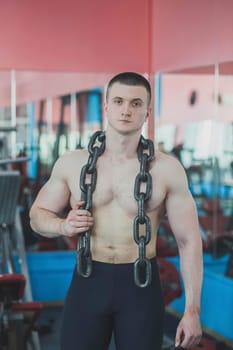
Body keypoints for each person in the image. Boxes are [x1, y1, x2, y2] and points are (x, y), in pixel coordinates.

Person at [29, 72, 203, 350]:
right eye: (119, 101)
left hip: (140, 283)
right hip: (88, 279)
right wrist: (64, 226)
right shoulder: (73, 163)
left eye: (136, 104)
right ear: (107, 107)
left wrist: (192, 311)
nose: (126, 110)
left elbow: (189, 241)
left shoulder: (167, 170)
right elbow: (37, 216)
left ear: (146, 112)